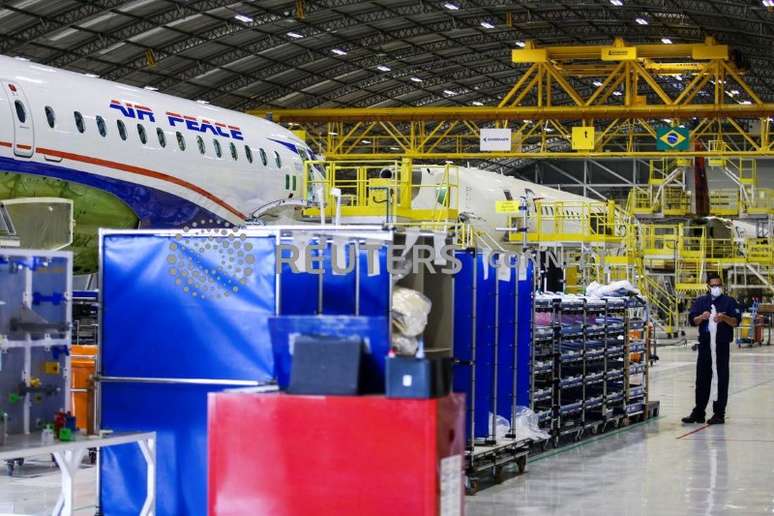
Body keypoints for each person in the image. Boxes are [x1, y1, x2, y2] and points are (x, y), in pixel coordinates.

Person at [682, 274, 740, 425]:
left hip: (721, 346)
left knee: (721, 378)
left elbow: (735, 322)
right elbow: (693, 320)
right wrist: (702, 317)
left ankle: (719, 413)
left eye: (719, 285)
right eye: (713, 286)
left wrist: (724, 318)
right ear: (708, 286)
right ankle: (699, 412)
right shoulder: (701, 302)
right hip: (705, 346)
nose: (716, 288)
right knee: (702, 379)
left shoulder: (729, 301)